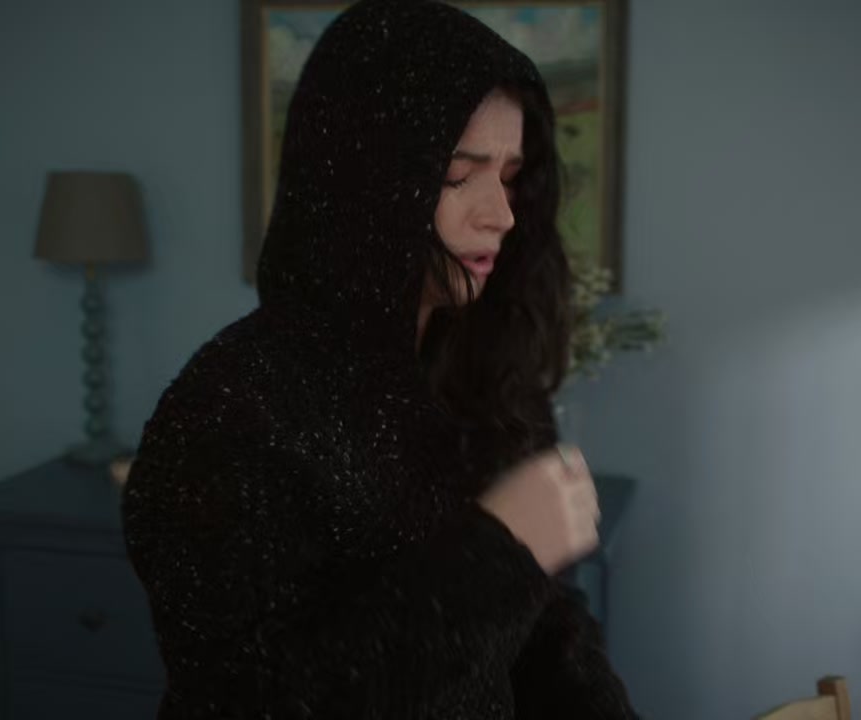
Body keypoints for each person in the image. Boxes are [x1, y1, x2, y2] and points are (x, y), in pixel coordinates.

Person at [121, 0, 637, 716]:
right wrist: (498, 554)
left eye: (511, 175)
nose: (501, 214)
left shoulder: (486, 380)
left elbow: (546, 641)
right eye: (458, 175)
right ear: (366, 183)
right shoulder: (228, 411)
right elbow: (258, 701)